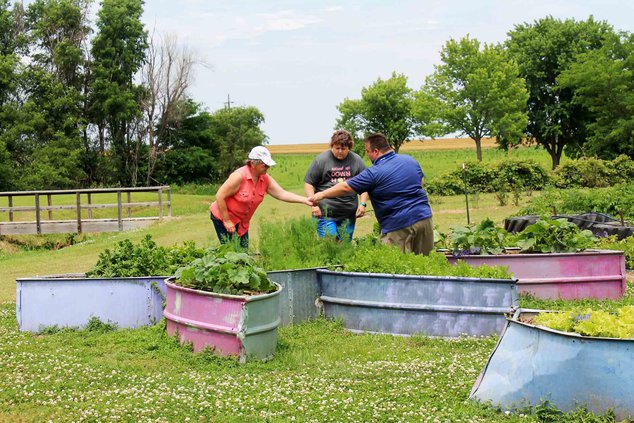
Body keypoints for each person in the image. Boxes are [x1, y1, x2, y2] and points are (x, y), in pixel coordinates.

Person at [308, 133, 433, 255]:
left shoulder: (374, 172)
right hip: (424, 218)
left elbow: (346, 187)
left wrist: (321, 195)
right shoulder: (410, 160)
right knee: (425, 263)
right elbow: (420, 183)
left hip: (397, 224)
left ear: (376, 151)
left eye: (368, 151)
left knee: (393, 267)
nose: (367, 155)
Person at [210, 146, 312, 248]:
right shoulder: (239, 176)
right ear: (253, 163)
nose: (268, 167)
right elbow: (220, 196)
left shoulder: (265, 178)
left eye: (268, 165)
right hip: (223, 218)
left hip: (242, 223)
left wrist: (304, 200)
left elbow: (282, 194)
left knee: (243, 253)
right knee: (231, 252)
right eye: (265, 165)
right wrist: (227, 221)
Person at [304, 130, 369, 241]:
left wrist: (363, 204)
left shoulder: (357, 161)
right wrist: (314, 205)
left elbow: (364, 185)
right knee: (331, 244)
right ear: (332, 146)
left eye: (343, 149)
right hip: (325, 214)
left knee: (344, 248)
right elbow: (309, 183)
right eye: (337, 148)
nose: (340, 151)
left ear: (349, 148)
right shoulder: (321, 160)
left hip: (348, 215)